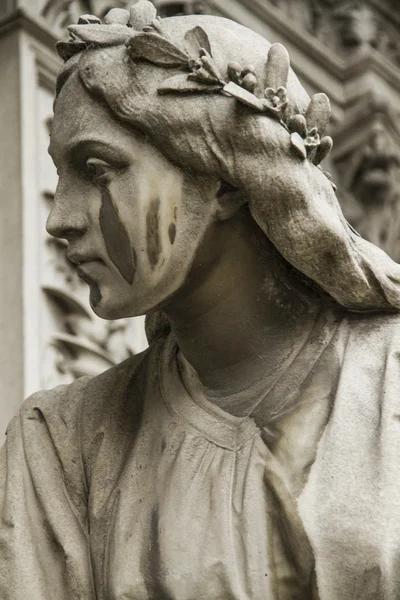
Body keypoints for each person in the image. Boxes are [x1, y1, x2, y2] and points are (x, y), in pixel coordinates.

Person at [1, 2, 400, 598]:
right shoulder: (61, 443)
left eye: (97, 169)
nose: (59, 219)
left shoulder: (391, 377)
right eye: (61, 177)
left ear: (227, 178)